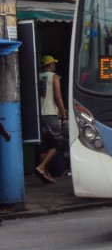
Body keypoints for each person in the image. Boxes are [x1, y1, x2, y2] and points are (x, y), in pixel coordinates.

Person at [35, 55, 67, 184]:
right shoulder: (54, 77)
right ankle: (41, 167)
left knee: (44, 145)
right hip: (50, 114)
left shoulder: (37, 77)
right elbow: (58, 97)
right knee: (58, 143)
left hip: (39, 115)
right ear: (50, 65)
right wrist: (63, 114)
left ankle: (46, 174)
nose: (54, 65)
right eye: (53, 63)